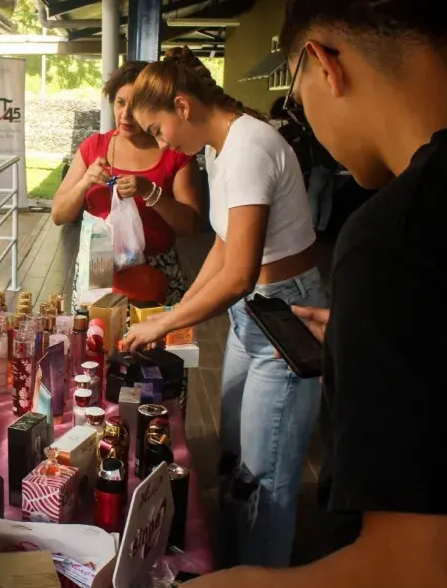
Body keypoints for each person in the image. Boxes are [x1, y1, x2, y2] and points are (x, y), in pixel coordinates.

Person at [180, 1, 447, 586]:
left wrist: (249, 581)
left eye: (295, 92)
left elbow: (428, 569)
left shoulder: (401, 236)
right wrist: (366, 333)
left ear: (325, 63)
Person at [122, 47, 326, 568]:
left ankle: (261, 573)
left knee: (267, 479)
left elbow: (238, 274)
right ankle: (237, 563)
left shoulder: (247, 148)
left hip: (287, 317)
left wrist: (169, 319)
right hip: (252, 316)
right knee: (235, 457)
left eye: (158, 129)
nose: (160, 142)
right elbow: (222, 243)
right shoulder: (217, 149)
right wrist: (178, 310)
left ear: (183, 107)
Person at [51, 60, 202, 307]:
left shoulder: (175, 153)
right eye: (120, 103)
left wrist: (150, 192)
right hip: (98, 273)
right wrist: (85, 182)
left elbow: (191, 227)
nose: (126, 115)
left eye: (136, 105)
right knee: (97, 342)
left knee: (153, 344)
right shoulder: (93, 147)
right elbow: (58, 215)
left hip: (155, 276)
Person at [269, 97, 337, 232]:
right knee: (326, 196)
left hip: (318, 166)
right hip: (330, 165)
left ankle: (310, 226)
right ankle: (322, 226)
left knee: (312, 195)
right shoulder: (325, 127)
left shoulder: (294, 130)